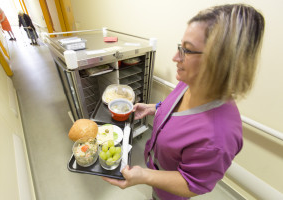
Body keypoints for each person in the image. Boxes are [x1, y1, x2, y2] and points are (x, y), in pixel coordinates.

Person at [102, 4, 265, 200]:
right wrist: (154, 108)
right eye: (181, 47)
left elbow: (192, 184)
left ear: (219, 62)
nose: (175, 57)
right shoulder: (192, 82)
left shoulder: (218, 135)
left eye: (187, 50)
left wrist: (145, 176)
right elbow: (177, 108)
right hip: (157, 170)